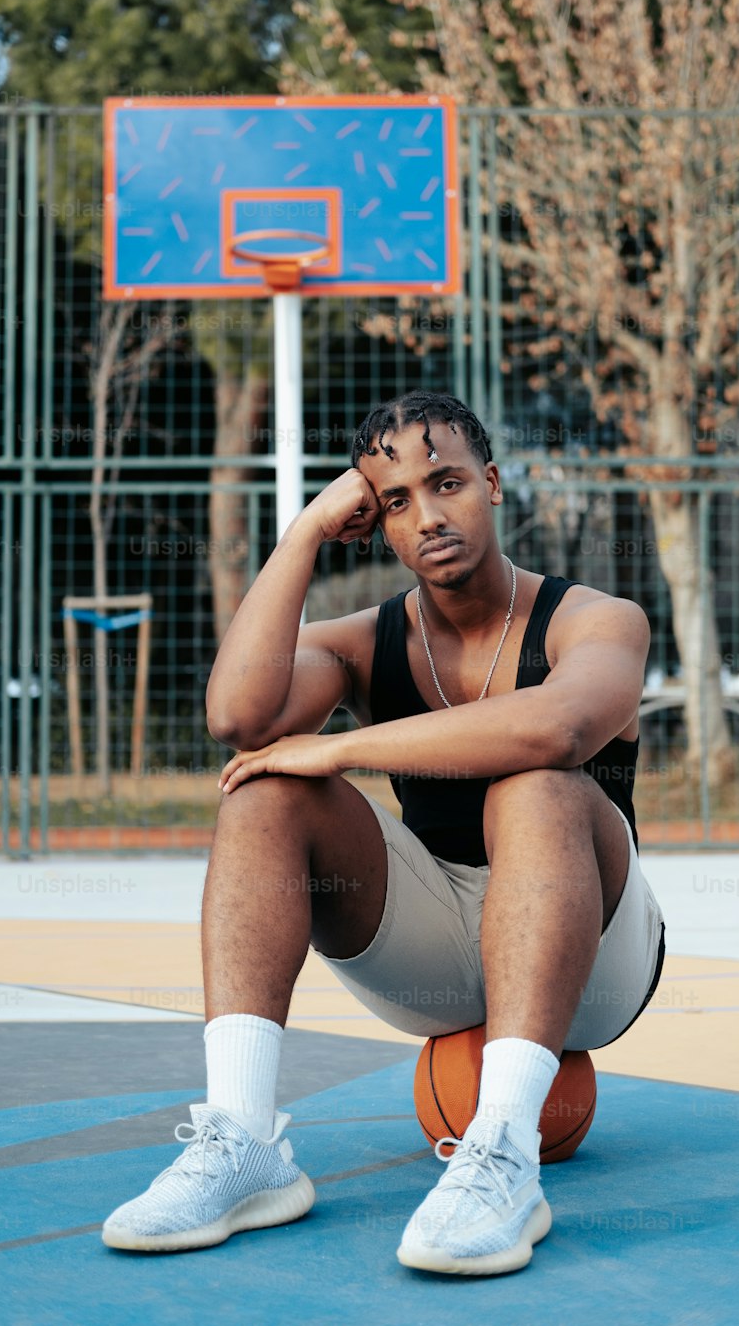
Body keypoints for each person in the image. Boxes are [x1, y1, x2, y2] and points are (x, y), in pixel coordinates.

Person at [102, 389, 665, 1276]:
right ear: (376, 525)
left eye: (447, 483)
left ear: (492, 483)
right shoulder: (367, 641)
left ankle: (505, 1153)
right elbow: (237, 717)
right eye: (396, 501)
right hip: (438, 947)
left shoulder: (599, 618)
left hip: (596, 959)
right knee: (264, 787)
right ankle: (244, 1145)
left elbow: (556, 728)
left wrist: (341, 750)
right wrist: (302, 535)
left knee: (534, 786)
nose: (428, 515)